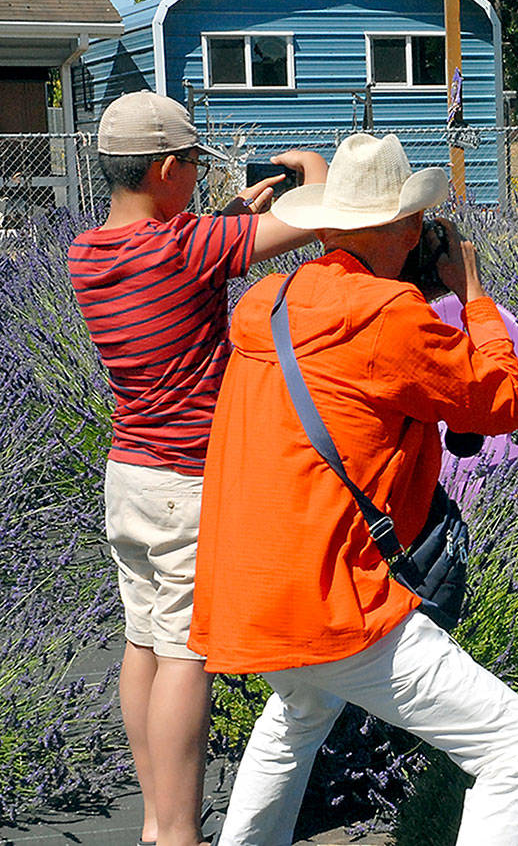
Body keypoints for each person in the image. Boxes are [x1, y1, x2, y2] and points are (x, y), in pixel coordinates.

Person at [187, 133, 518, 846]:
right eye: (418, 222)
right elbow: (500, 402)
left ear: (327, 225)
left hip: (246, 580)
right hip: (330, 591)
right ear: (404, 227)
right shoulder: (390, 315)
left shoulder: (268, 301)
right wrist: (473, 295)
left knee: (298, 716)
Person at [67, 90, 328, 846]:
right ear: (168, 168)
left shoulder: (88, 252)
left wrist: (229, 220)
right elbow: (315, 217)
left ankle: (155, 820)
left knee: (142, 643)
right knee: (188, 654)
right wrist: (309, 167)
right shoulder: (188, 245)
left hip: (130, 474)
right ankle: (179, 833)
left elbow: (192, 248)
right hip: (190, 479)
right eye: (191, 170)